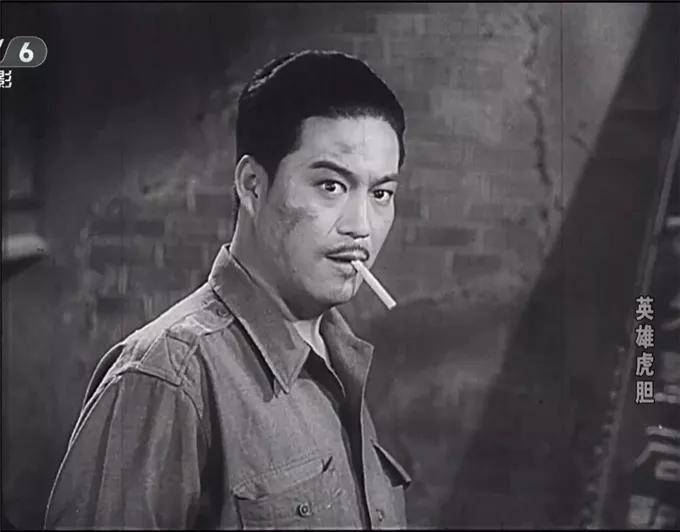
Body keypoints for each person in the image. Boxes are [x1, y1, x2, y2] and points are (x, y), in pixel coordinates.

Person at [44, 49, 411, 530]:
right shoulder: (169, 378)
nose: (360, 226)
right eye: (331, 186)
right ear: (253, 185)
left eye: (381, 193)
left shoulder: (338, 356)